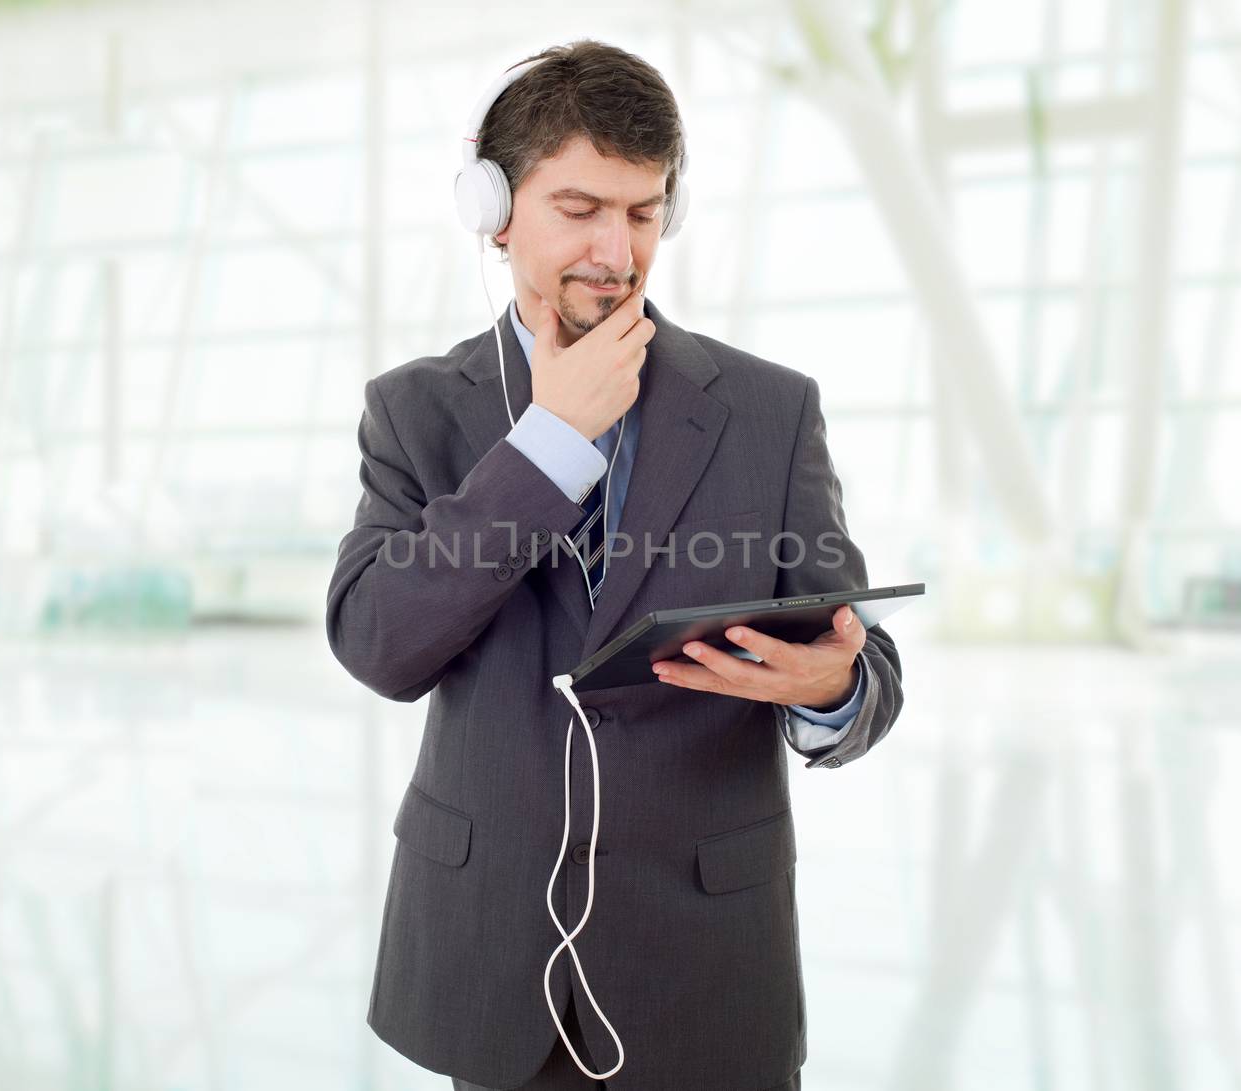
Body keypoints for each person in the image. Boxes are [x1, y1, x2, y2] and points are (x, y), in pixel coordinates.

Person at [326, 39, 905, 1091]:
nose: (615, 249)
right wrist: (545, 444)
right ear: (493, 209)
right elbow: (379, 642)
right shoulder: (416, 411)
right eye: (580, 209)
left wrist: (833, 688)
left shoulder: (770, 411)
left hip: (706, 961)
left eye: (642, 214)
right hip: (497, 958)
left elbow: (860, 659)